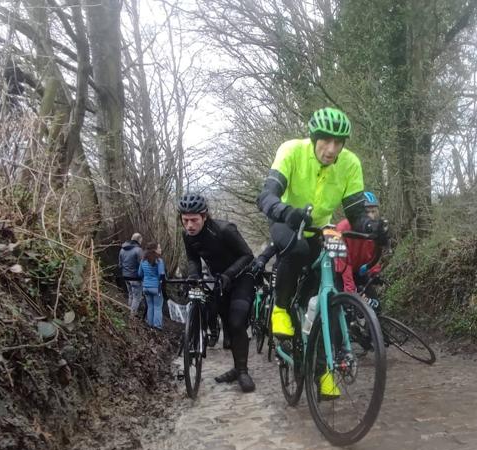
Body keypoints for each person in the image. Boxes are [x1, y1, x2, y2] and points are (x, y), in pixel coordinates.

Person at [256, 107, 388, 398]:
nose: (332, 149)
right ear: (314, 138)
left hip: (320, 228)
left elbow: (355, 213)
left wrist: (372, 227)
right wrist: (285, 212)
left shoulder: (350, 163)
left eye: (338, 143)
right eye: (326, 141)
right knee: (297, 247)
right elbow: (265, 196)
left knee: (334, 294)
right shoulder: (291, 151)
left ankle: (323, 369)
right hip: (286, 220)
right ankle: (280, 309)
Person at [178, 193, 256, 393]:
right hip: (220, 280)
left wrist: (229, 274)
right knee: (227, 326)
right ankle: (236, 368)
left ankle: (243, 372)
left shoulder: (225, 230)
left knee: (237, 322)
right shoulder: (187, 236)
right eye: (185, 220)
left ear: (205, 217)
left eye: (194, 220)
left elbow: (248, 255)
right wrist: (193, 276)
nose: (189, 226)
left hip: (241, 277)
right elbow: (193, 259)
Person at [335, 191, 389, 309]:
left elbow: (373, 255)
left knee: (376, 307)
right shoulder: (343, 228)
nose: (370, 215)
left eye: (373, 211)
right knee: (343, 310)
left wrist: (374, 274)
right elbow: (343, 263)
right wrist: (351, 292)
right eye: (366, 211)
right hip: (339, 271)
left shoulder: (374, 228)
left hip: (359, 272)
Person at [138, 242, 167, 329]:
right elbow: (161, 274)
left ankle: (150, 325)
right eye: (159, 248)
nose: (160, 249)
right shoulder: (159, 260)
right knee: (157, 307)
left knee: (150, 306)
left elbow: (139, 274)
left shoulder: (143, 260)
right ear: (154, 250)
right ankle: (157, 326)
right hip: (156, 288)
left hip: (146, 287)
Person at [118, 232, 144, 316]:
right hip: (135, 277)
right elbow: (142, 265)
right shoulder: (138, 250)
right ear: (139, 240)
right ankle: (132, 316)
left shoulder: (122, 249)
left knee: (131, 294)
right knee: (137, 297)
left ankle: (129, 311)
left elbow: (120, 264)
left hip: (125, 276)